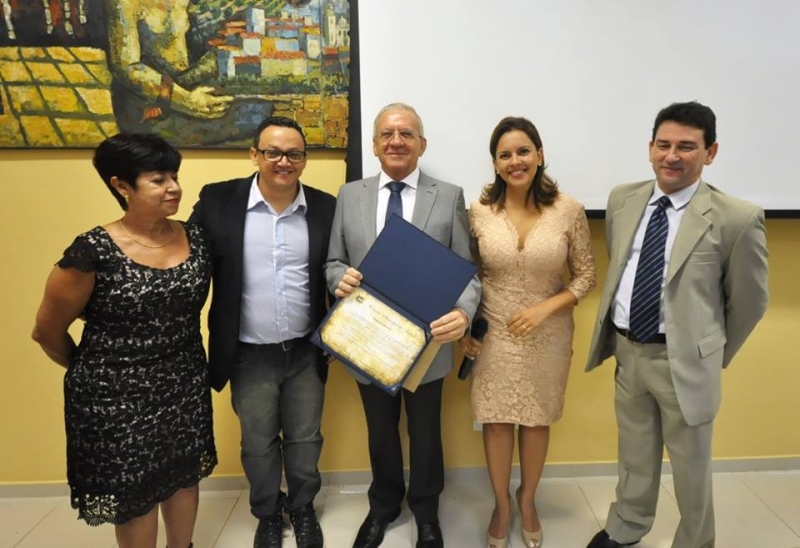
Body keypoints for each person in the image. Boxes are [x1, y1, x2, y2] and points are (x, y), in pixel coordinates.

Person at [584, 101, 769, 548]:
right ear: (650, 147)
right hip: (629, 352)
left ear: (710, 152)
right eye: (663, 145)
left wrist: (708, 352)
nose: (672, 156)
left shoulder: (736, 217)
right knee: (634, 455)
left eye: (686, 147)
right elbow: (621, 266)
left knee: (691, 467)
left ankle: (695, 541)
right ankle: (626, 526)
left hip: (684, 362)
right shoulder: (623, 200)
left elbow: (750, 301)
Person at [31, 133, 216, 548]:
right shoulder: (91, 252)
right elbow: (46, 331)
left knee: (183, 475)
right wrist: (98, 374)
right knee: (134, 494)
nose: (174, 187)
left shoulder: (197, 239)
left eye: (174, 176)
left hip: (184, 383)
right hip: (115, 398)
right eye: (158, 179)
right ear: (121, 186)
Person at [325, 102, 481, 548]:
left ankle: (427, 512)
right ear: (374, 145)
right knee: (380, 431)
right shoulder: (350, 194)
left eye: (407, 134)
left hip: (426, 342)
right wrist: (338, 279)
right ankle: (384, 506)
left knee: (426, 433)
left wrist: (464, 313)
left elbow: (467, 271)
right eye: (387, 134)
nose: (396, 141)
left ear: (422, 144)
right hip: (367, 339)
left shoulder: (448, 195)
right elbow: (333, 262)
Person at [189, 116, 336, 548]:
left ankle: (303, 508)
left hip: (306, 350)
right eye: (273, 152)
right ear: (254, 154)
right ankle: (268, 512)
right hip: (248, 353)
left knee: (306, 438)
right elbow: (187, 259)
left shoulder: (326, 208)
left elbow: (340, 269)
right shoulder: (219, 201)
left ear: (304, 160)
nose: (283, 162)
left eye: (294, 154)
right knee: (257, 442)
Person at [460, 116, 596, 548]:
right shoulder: (479, 212)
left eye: (523, 151)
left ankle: (528, 499)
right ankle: (502, 505)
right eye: (505, 155)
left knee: (536, 420)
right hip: (493, 331)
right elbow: (468, 276)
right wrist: (466, 327)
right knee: (497, 420)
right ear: (495, 163)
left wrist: (545, 308)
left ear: (539, 155)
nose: (515, 161)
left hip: (548, 334)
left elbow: (586, 276)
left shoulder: (569, 211)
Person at [106, 0, 269, 145]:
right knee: (255, 119)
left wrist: (223, 33)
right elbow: (126, 68)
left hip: (189, 90)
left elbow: (185, 45)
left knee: (261, 111)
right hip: (151, 106)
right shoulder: (125, 3)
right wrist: (188, 101)